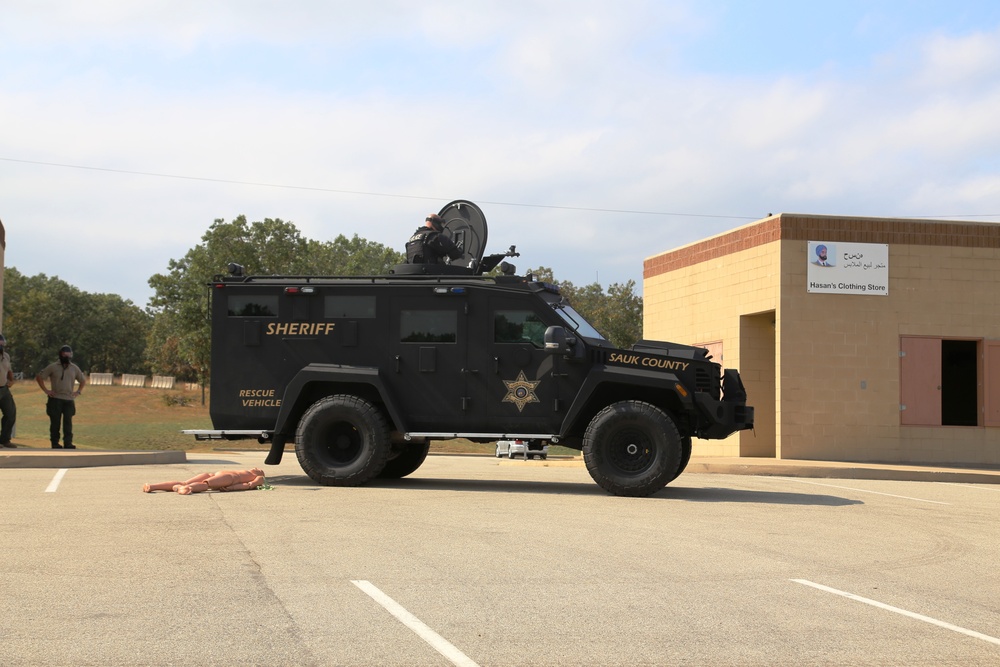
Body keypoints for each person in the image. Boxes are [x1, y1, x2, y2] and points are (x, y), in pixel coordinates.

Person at [35, 345, 87, 449]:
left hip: (68, 399)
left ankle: (68, 443)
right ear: (60, 355)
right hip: (55, 398)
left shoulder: (74, 368)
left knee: (68, 422)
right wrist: (46, 390)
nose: (66, 357)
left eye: (68, 355)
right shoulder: (53, 366)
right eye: (64, 354)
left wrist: (78, 392)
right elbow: (40, 377)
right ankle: (55, 443)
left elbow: (83, 380)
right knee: (55, 423)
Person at [142, 468, 266, 494]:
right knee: (185, 481)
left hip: (229, 479)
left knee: (205, 485)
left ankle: (186, 489)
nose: (257, 468)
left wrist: (232, 488)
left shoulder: (258, 477)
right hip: (216, 474)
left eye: (260, 469)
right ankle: (152, 486)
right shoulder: (247, 470)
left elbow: (249, 485)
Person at [0, 334, 16, 448]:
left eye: (2, 343)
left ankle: (5, 439)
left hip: (4, 389)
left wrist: (11, 380)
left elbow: (9, 370)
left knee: (10, 413)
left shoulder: (6, 356)